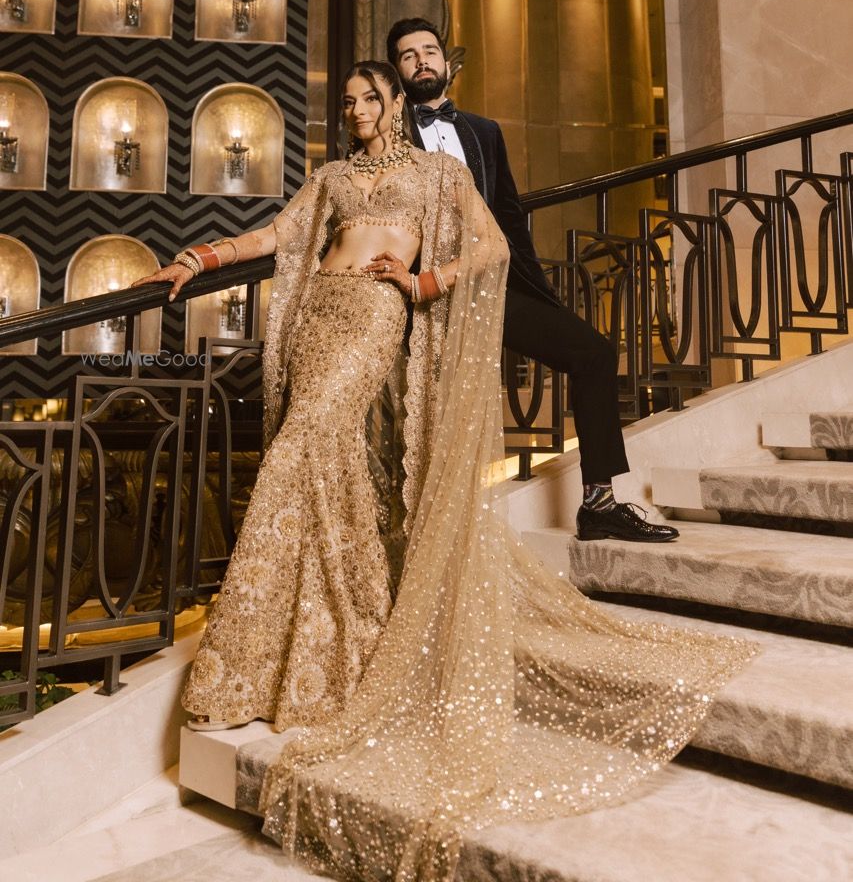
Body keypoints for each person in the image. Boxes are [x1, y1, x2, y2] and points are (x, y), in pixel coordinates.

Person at [132, 60, 754, 881]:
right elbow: (276, 238)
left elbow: (491, 247)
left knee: (300, 449)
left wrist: (426, 280)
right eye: (345, 101)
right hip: (321, 309)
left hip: (376, 316)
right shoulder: (332, 178)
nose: (354, 110)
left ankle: (299, 642)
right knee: (322, 460)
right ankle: (325, 642)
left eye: (366, 97)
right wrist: (197, 260)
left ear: (394, 100)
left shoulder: (438, 173)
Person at [387, 17, 677, 544]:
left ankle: (599, 503)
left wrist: (537, 291)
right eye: (409, 55)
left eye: (430, 50)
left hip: (493, 286)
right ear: (397, 71)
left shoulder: (484, 131)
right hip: (423, 295)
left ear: (446, 63)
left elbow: (509, 214)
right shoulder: (387, 134)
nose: (422, 60)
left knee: (593, 352)